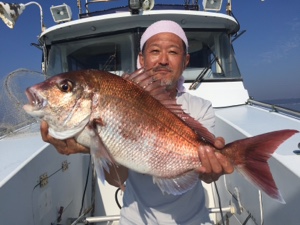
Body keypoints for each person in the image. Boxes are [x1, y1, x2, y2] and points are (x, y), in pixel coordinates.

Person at [41, 20, 234, 225]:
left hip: (193, 220)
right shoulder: (121, 101)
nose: (163, 60)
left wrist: (213, 170)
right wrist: (93, 146)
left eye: (173, 52)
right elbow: (117, 180)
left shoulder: (200, 108)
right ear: (142, 59)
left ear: (185, 61)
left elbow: (204, 174)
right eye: (155, 51)